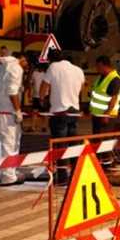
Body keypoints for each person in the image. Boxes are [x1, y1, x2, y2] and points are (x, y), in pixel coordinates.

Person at [40, 49, 85, 183]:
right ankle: (75, 174)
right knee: (73, 143)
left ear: (51, 59)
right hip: (74, 110)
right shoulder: (78, 70)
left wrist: (42, 99)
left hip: (59, 111)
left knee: (60, 144)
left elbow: (44, 87)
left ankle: (62, 176)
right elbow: (82, 87)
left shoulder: (53, 67)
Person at [0, 52, 28, 185]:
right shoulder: (15, 68)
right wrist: (17, 111)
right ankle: (9, 175)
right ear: (21, 59)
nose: (26, 65)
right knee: (10, 142)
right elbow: (12, 92)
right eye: (26, 62)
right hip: (8, 112)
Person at [90, 56, 120, 134]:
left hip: (107, 116)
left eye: (98, 66)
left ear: (105, 66)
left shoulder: (115, 79)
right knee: (96, 138)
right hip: (97, 115)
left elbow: (113, 99)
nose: (97, 69)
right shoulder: (100, 77)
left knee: (105, 138)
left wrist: (106, 115)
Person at [29, 63, 48, 132]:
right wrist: (30, 94)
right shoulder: (34, 73)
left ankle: (44, 126)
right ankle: (33, 127)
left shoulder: (46, 74)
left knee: (44, 113)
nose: (40, 68)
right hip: (35, 96)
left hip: (44, 95)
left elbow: (48, 85)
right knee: (34, 111)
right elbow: (31, 84)